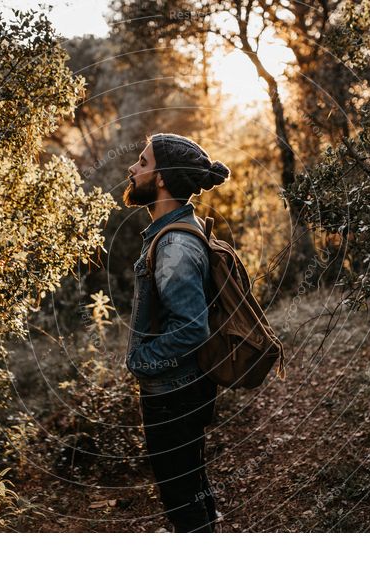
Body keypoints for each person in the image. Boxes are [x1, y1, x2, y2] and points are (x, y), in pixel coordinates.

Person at [123, 133, 230, 533]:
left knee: (182, 506)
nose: (133, 170)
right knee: (193, 490)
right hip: (180, 390)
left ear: (163, 178)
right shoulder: (173, 231)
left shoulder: (174, 247)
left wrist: (141, 360)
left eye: (143, 162)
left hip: (172, 396)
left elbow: (191, 328)